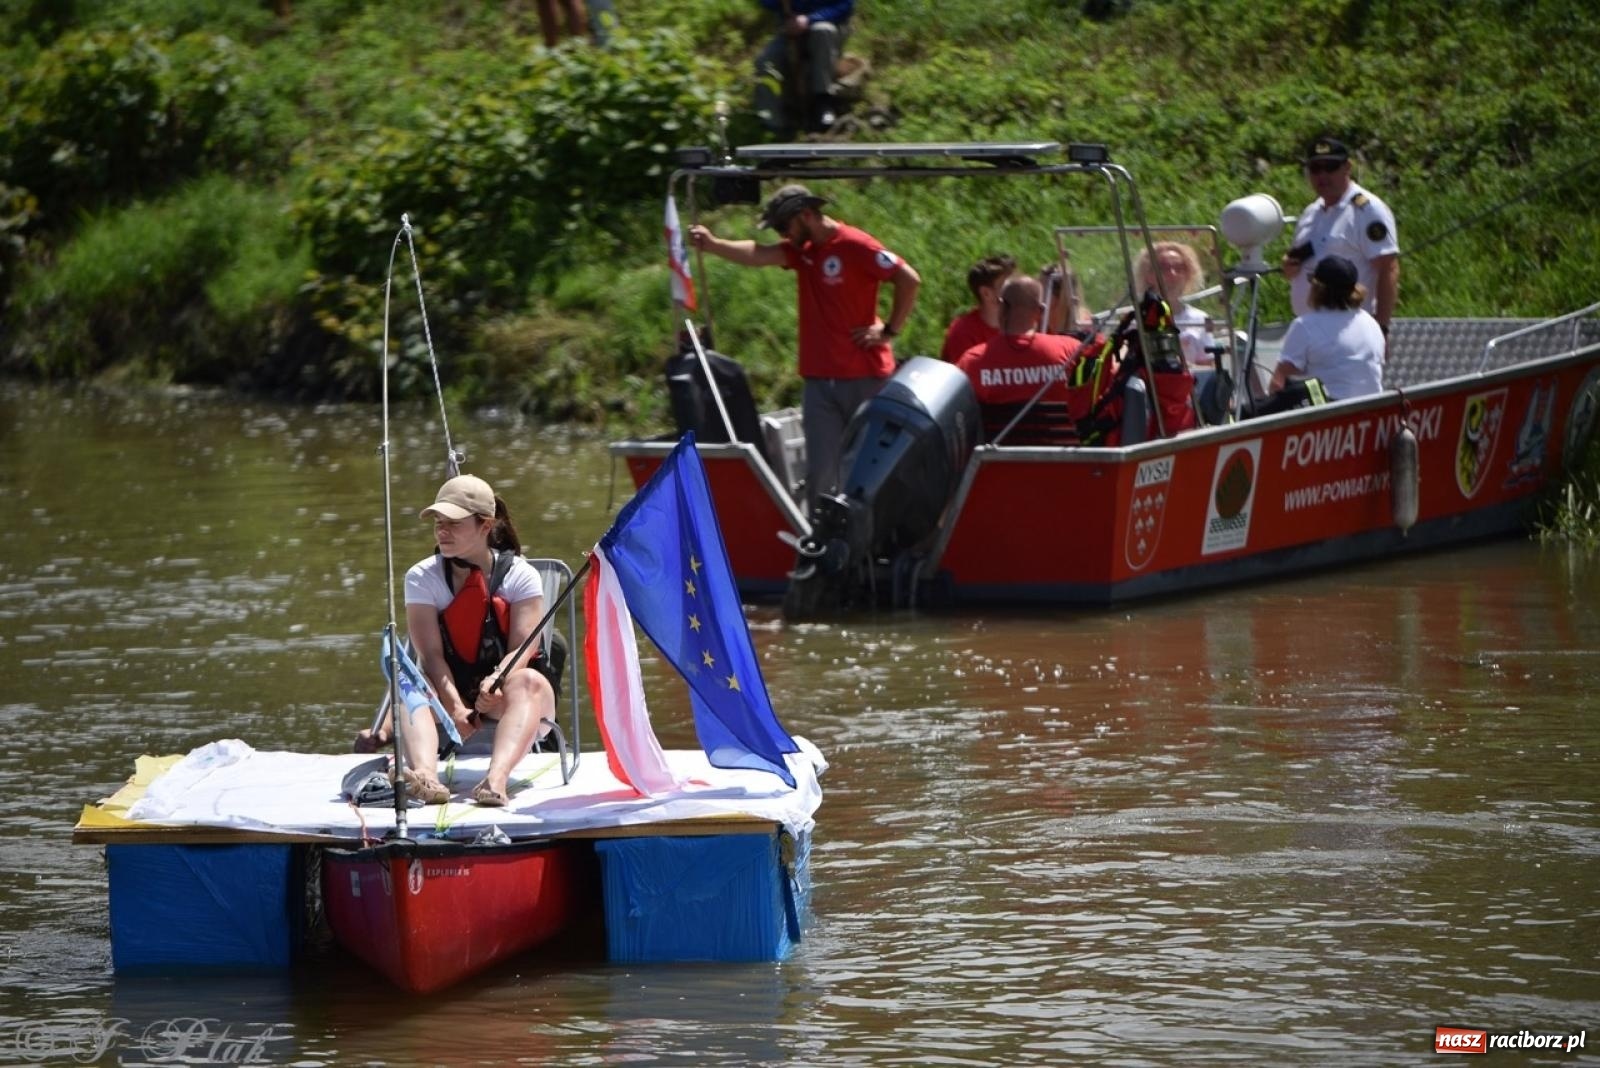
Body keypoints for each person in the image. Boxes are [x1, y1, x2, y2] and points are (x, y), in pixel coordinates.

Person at [688, 183, 920, 506]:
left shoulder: (855, 245)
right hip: (819, 382)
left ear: (807, 215)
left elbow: (908, 278)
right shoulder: (803, 251)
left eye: (785, 226)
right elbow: (760, 253)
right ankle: (822, 543)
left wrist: (889, 330)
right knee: (821, 472)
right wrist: (713, 245)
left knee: (871, 469)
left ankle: (881, 541)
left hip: (865, 377)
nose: (784, 234)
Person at [357, 474, 556, 808]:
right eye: (438, 523)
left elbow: (522, 650)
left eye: (453, 523)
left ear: (485, 525)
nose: (441, 531)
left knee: (529, 680)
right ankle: (425, 777)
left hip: (512, 695)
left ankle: (495, 781)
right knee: (409, 686)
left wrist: (496, 681)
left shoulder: (522, 576)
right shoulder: (421, 577)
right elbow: (431, 656)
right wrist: (455, 708)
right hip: (448, 695)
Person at [1282, 135, 1400, 341]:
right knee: (1302, 374)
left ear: (1347, 167)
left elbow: (1388, 268)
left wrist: (1381, 329)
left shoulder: (1367, 210)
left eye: (1331, 167)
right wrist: (1290, 268)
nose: (1323, 175)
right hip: (1312, 332)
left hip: (1349, 332)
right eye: (1316, 169)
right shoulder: (1311, 212)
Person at [1269, 255, 1385, 402]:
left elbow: (1278, 384)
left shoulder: (1305, 326)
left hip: (1331, 414)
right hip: (1374, 409)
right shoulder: (1370, 322)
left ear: (1316, 289)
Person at [955, 275, 1086, 405]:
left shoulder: (972, 362)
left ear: (1002, 308)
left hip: (1002, 427)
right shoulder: (1072, 351)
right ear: (1040, 311)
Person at [753, 0, 855, 135]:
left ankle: (823, 103)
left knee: (822, 30)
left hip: (829, 26)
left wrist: (809, 19)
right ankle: (773, 123)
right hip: (790, 28)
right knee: (765, 61)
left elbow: (845, 6)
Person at [1133, 241, 1214, 370]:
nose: (1172, 274)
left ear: (1188, 275)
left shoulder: (1200, 319)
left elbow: (1208, 368)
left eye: (1179, 268)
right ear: (1148, 275)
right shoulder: (1135, 319)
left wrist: (1185, 367)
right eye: (1163, 268)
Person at [940, 254, 1015, 361]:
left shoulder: (1022, 324)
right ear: (986, 293)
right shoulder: (963, 332)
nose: (1018, 291)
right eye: (1009, 286)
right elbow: (966, 375)